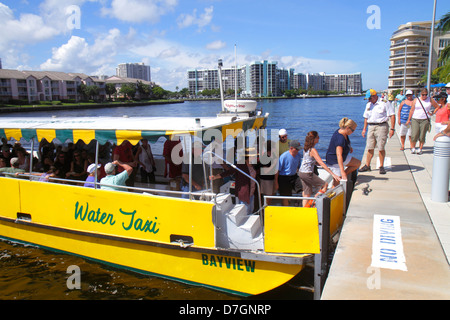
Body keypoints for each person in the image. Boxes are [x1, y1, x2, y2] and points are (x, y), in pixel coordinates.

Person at [299, 131, 341, 207]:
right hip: (307, 173)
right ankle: (313, 203)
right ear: (314, 139)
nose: (319, 139)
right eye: (318, 137)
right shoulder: (313, 150)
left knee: (307, 193)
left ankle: (304, 209)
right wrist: (333, 174)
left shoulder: (306, 148)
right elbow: (321, 162)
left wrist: (320, 164)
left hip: (301, 172)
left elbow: (310, 161)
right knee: (324, 185)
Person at [210, 147, 258, 213]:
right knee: (244, 211)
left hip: (251, 193)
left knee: (250, 210)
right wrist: (215, 177)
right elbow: (228, 172)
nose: (255, 157)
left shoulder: (252, 165)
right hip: (244, 193)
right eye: (254, 156)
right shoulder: (240, 165)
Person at [360, 89, 395, 174]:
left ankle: (381, 166)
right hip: (371, 126)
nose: (369, 100)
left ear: (375, 96)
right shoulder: (368, 104)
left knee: (381, 147)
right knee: (370, 147)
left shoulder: (385, 103)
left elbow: (392, 115)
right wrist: (364, 128)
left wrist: (392, 129)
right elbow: (366, 117)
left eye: (370, 98)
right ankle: (367, 165)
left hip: (381, 126)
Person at [326, 118, 360, 185]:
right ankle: (339, 178)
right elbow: (339, 155)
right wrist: (342, 170)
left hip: (343, 157)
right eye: (352, 130)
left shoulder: (343, 132)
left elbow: (346, 140)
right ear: (347, 128)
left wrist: (349, 147)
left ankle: (341, 176)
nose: (353, 132)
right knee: (336, 184)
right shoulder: (340, 139)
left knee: (357, 163)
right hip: (335, 160)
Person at [406, 88, 439, 155]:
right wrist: (409, 119)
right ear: (420, 94)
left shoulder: (430, 99)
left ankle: (420, 148)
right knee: (414, 134)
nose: (424, 96)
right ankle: (413, 148)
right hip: (415, 118)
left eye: (426, 95)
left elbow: (437, 107)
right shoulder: (416, 100)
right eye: (423, 95)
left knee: (422, 135)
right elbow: (412, 110)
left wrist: (432, 113)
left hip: (425, 119)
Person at [277, 140, 302, 206]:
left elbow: (299, 166)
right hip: (284, 177)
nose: (298, 151)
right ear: (291, 148)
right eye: (296, 149)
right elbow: (278, 170)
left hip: (294, 176)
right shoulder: (283, 156)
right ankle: (286, 208)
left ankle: (300, 203)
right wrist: (276, 182)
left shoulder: (298, 155)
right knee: (285, 195)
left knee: (302, 188)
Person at [255, 140, 278, 206]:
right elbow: (265, 171)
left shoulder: (273, 155)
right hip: (266, 180)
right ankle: (265, 210)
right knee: (268, 197)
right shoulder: (265, 157)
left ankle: (267, 207)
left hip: (271, 178)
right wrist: (273, 164)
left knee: (271, 195)